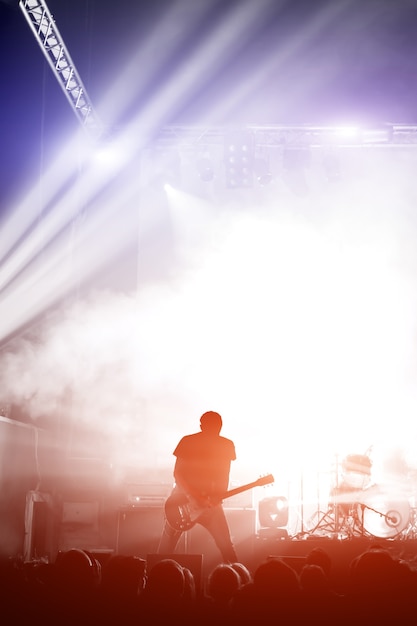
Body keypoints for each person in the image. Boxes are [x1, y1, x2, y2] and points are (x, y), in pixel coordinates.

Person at [157, 410, 238, 563]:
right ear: (202, 426)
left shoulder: (222, 444)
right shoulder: (221, 444)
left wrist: (217, 497)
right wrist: (192, 497)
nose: (216, 429)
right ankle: (240, 580)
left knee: (225, 545)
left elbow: (223, 475)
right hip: (182, 500)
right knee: (226, 546)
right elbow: (178, 474)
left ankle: (155, 578)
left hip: (203, 503)